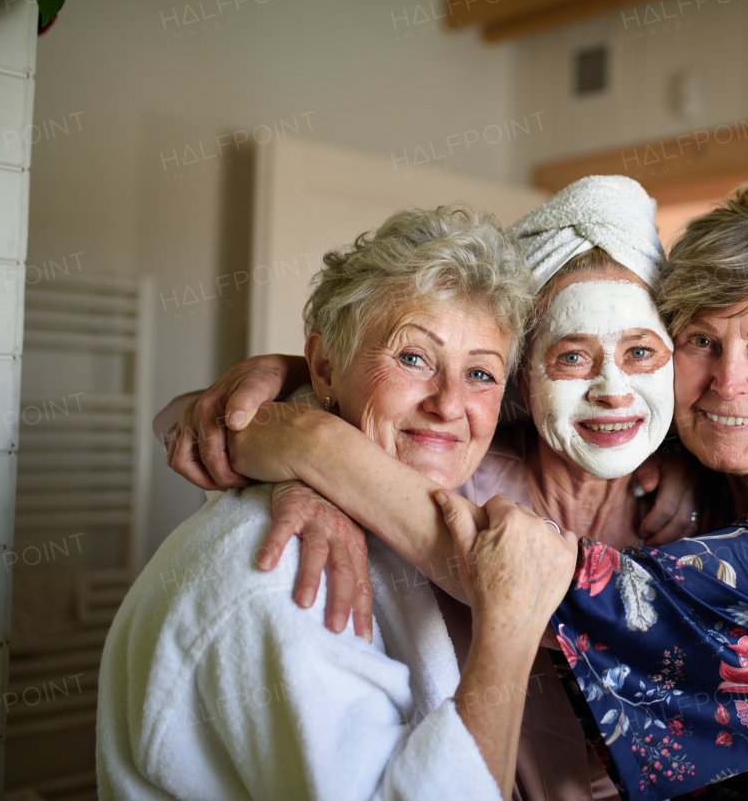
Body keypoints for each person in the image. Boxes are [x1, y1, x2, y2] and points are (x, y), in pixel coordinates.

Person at [168, 184, 748, 799]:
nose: (728, 381)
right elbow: (415, 390)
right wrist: (296, 391)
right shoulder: (688, 454)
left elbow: (540, 580)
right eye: (700, 342)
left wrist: (312, 446)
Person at [98, 207, 578, 801]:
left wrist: (309, 444)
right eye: (412, 358)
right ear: (324, 365)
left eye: (481, 373)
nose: (450, 405)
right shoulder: (284, 577)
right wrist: (509, 625)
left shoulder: (390, 516)